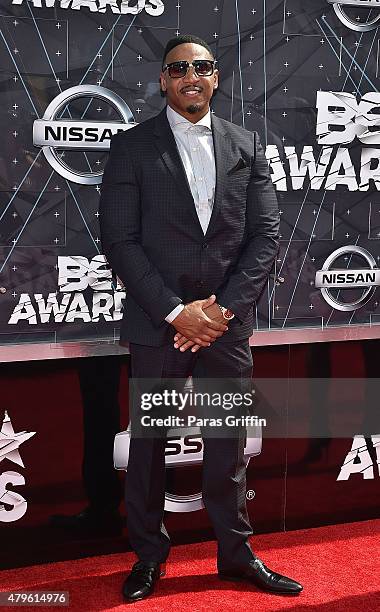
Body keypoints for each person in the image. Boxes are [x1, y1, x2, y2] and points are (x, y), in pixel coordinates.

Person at [99, 34, 303, 602]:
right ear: (163, 79)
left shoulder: (247, 145)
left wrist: (219, 310)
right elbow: (119, 239)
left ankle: (236, 556)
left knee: (228, 443)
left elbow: (265, 238)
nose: (192, 76)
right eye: (179, 68)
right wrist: (174, 312)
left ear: (216, 78)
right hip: (157, 322)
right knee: (148, 445)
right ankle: (147, 557)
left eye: (203, 67)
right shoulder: (133, 147)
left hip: (224, 324)